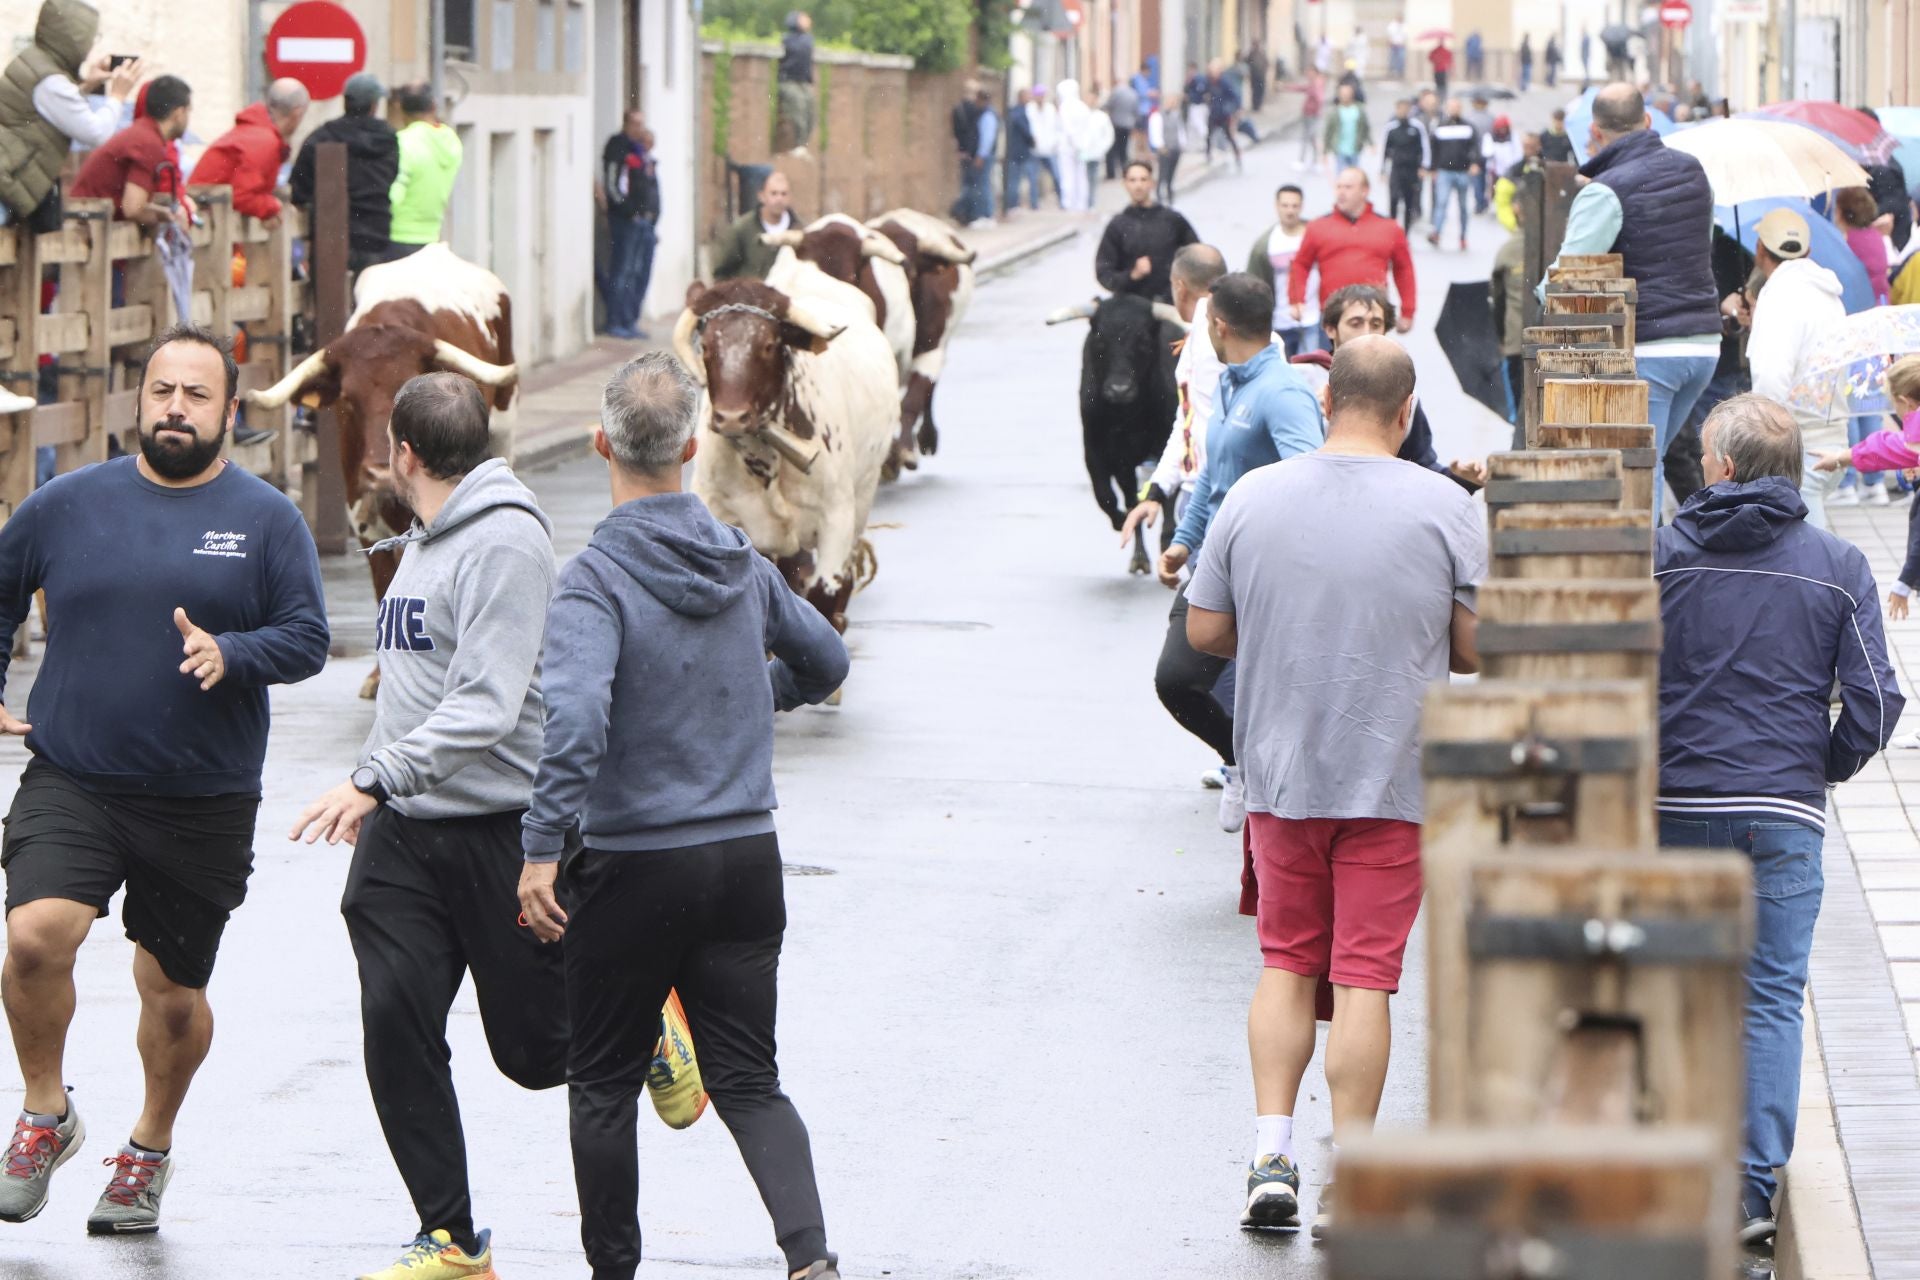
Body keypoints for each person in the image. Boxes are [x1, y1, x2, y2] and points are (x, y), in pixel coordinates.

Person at [516, 352, 848, 1280]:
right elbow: (826, 662)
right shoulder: (743, 563)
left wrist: (541, 849)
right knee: (749, 1080)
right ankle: (810, 1259)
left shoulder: (593, 579)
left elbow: (576, 724)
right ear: (695, 447)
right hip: (746, 857)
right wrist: (758, 697)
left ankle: (614, 1272)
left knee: (603, 1086)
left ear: (598, 446)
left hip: (633, 869)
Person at [0, 324, 328, 1233]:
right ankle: (43, 1114)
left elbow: (307, 637)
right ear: (137, 403)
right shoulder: (65, 504)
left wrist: (235, 650)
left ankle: (146, 1150)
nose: (175, 408)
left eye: (195, 395)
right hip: (76, 774)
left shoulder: (267, 520)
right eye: (160, 392)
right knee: (34, 937)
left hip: (202, 794)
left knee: (171, 991)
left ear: (228, 412)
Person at [1186, 336, 1483, 1238]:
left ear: (1324, 404)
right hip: (1392, 775)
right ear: (1406, 412)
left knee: (1285, 962)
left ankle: (1270, 1154)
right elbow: (1472, 652)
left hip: (1281, 773)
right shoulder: (1446, 507)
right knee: (1363, 979)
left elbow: (1203, 631)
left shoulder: (1252, 497)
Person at [287, 372, 572, 1280]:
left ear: (403, 454)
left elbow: (487, 708)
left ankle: (642, 1016)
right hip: (406, 836)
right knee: (394, 1019)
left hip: (497, 829)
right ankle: (451, 1239)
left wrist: (374, 774)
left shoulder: (505, 546)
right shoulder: (422, 539)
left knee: (532, 1054)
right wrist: (387, 792)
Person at [1656, 393, 1902, 1251]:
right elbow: (1878, 701)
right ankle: (1750, 1195)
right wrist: (1814, 771)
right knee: (1768, 1000)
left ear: (1717, 466)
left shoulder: (1657, 556)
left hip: (1674, 806)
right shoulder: (1839, 564)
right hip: (1781, 815)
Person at [1155, 274, 1326, 832]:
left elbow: (1311, 478)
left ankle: (1278, 789)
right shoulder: (1230, 384)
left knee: (1236, 684)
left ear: (1220, 326)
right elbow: (1210, 473)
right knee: (1178, 680)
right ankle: (1243, 764)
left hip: (1262, 572)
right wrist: (1183, 541)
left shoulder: (1283, 393)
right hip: (1212, 562)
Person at [1546, 84, 1723, 514]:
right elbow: (1702, 242)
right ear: (1647, 121)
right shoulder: (1694, 171)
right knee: (1655, 457)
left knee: (1642, 468)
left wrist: (1541, 290)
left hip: (1650, 347)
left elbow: (1568, 276)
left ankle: (1647, 573)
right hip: (1704, 345)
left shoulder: (1605, 190)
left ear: (1595, 130)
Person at [1286, 284, 1485, 490]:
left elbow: (1421, 467)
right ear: (1330, 328)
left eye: (1376, 323)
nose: (1366, 332)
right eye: (1355, 323)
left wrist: (1461, 479)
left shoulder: (1402, 392)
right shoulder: (1299, 381)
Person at [1121, 244, 1234, 580]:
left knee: (1206, 622)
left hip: (1204, 496)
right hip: (1215, 493)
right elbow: (1188, 421)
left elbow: (1198, 425)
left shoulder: (1207, 340)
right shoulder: (1220, 331)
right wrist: (1157, 489)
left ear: (1179, 286)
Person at [1744, 208, 1850, 526]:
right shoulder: (1827, 293)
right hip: (1833, 438)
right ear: (1808, 252)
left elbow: (1770, 374)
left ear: (1760, 250)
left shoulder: (1778, 296)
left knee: (1807, 561)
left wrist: (1766, 441)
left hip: (1798, 447)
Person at [0, 0, 144, 229]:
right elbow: (95, 134)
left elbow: (47, 110)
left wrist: (86, 86)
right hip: (8, 178)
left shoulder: (37, 62)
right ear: (75, 39)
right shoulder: (52, 82)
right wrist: (117, 96)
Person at [289, 73, 400, 274]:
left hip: (330, 239)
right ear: (374, 105)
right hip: (375, 237)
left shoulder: (322, 137)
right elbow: (391, 176)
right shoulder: (387, 139)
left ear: (345, 102)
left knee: (331, 304)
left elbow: (298, 189)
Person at [1290, 168, 1418, 340]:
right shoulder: (1318, 227)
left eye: (1348, 187)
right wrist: (1297, 300)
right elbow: (1300, 264)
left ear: (1364, 191)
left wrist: (1408, 311)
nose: (1341, 193)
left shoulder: (1389, 228)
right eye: (1338, 187)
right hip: (1334, 318)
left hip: (1373, 319)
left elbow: (1404, 269)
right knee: (1332, 366)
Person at [68, 74, 193, 227]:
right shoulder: (149, 142)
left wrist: (164, 213)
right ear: (179, 114)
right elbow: (133, 209)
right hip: (85, 229)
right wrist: (167, 218)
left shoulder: (142, 133)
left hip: (87, 221)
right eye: (189, 111)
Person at [187, 77, 307, 225]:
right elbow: (241, 195)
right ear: (296, 113)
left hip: (210, 222)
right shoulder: (264, 141)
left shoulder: (254, 133)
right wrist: (274, 206)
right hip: (206, 227)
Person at [596, 110, 661, 340]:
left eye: (642, 124)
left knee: (637, 272)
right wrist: (629, 212)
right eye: (635, 124)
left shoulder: (640, 150)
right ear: (626, 123)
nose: (639, 128)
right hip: (625, 221)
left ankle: (629, 319)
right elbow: (614, 186)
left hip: (643, 222)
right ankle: (615, 320)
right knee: (622, 270)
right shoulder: (618, 147)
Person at [1094, 160, 1197, 303]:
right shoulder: (1117, 226)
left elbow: (1197, 257)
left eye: (1143, 179)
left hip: (1171, 303)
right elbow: (1104, 273)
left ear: (1152, 183)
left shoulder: (1172, 219)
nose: (1138, 185)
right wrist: (1132, 275)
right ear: (1125, 184)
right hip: (1132, 305)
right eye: (1132, 180)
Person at [388, 83, 461, 258]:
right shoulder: (452, 142)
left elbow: (394, 195)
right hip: (432, 237)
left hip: (398, 237)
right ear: (434, 107)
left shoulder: (403, 142)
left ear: (401, 109)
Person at [1247, 186, 1318, 357]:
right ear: (1276, 206)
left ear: (1301, 207)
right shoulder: (1265, 244)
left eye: (1294, 206)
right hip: (1279, 322)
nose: (1290, 211)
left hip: (1313, 319)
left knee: (1311, 373)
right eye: (1285, 206)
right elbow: (1253, 286)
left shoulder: (1315, 236)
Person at [711, 170, 798, 281]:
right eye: (774, 193)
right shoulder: (742, 229)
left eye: (783, 194)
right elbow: (722, 271)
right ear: (761, 196)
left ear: (790, 197)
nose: (779, 199)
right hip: (751, 296)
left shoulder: (799, 230)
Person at [1491, 198, 1528, 442]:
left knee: (1522, 417)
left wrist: (1501, 338)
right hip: (1550, 344)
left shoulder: (1509, 251)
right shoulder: (1564, 241)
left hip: (1516, 343)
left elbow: (1497, 299)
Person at [1425, 100, 1480, 250]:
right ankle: (1437, 232)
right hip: (1445, 171)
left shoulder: (1468, 127)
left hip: (1462, 170)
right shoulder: (1440, 127)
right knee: (1441, 202)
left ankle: (1463, 235)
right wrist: (1433, 168)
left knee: (1463, 206)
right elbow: (1433, 148)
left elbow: (1476, 146)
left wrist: (1475, 163)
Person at [1381, 99, 1429, 235]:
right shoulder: (1391, 127)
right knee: (1394, 199)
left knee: (1410, 201)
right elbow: (1384, 149)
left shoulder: (1417, 127)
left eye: (1405, 108)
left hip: (1412, 170)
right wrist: (1382, 169)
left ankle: (1406, 232)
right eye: (1400, 109)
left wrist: (1424, 166)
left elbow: (1423, 147)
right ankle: (1392, 230)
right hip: (1396, 169)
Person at [776, 10, 815, 153]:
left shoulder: (808, 39)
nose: (808, 21)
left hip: (804, 82)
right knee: (798, 107)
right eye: (804, 19)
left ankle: (803, 144)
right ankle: (797, 145)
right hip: (788, 81)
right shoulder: (786, 40)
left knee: (810, 111)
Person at [1055, 79, 1092, 212]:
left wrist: (1076, 144)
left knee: (1068, 176)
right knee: (1081, 176)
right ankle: (1081, 203)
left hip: (1068, 147)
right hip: (1081, 146)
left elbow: (1068, 129)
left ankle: (1069, 202)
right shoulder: (1083, 107)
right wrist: (1083, 145)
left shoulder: (1065, 108)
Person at [1026, 84, 1063, 207]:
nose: (1040, 97)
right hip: (1034, 149)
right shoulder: (1029, 108)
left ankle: (1062, 200)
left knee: (1057, 176)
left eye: (1042, 95)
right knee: (1033, 178)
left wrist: (1055, 142)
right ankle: (1034, 203)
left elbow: (1057, 127)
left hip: (1049, 149)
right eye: (1038, 95)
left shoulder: (1050, 109)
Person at [1079, 85, 1116, 204]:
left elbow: (1109, 135)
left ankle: (1091, 202)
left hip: (1095, 152)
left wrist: (1102, 148)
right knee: (1081, 178)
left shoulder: (1102, 117)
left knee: (1093, 178)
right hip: (1080, 152)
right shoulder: (1080, 114)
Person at [1148, 92, 1186, 206]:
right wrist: (1160, 146)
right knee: (1162, 173)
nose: (1172, 104)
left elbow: (1180, 131)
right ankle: (1159, 195)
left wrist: (1182, 144)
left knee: (1171, 174)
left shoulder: (1177, 115)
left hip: (1175, 148)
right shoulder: (1157, 116)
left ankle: (1170, 195)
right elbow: (1155, 131)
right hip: (1164, 149)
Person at [1323, 82, 1370, 171]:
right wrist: (1325, 151)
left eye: (1347, 94)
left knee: (1354, 175)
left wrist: (1371, 143)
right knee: (1341, 176)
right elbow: (1328, 132)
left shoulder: (1359, 110)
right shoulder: (1334, 112)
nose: (1345, 96)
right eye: (1343, 94)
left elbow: (1365, 128)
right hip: (1340, 149)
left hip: (1355, 149)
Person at [1205, 60, 1243, 170]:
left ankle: (1237, 155)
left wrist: (1233, 109)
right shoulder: (1209, 82)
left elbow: (1234, 96)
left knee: (1229, 136)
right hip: (1213, 112)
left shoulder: (1224, 83)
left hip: (1223, 114)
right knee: (1208, 135)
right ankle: (1208, 155)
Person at [1104, 79, 1139, 178]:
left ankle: (1111, 173)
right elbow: (1136, 111)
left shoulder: (1116, 92)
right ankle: (1125, 171)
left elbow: (1109, 105)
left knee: (1112, 149)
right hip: (1127, 126)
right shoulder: (1133, 94)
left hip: (1116, 125)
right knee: (1123, 149)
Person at [1296, 69, 1326, 171]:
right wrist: (1287, 87)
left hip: (1314, 115)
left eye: (1310, 72)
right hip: (1307, 114)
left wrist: (1317, 109)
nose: (1308, 74)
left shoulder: (1317, 83)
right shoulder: (1313, 83)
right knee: (1310, 138)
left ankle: (1304, 160)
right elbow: (1302, 89)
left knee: (1309, 137)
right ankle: (1313, 161)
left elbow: (1319, 98)